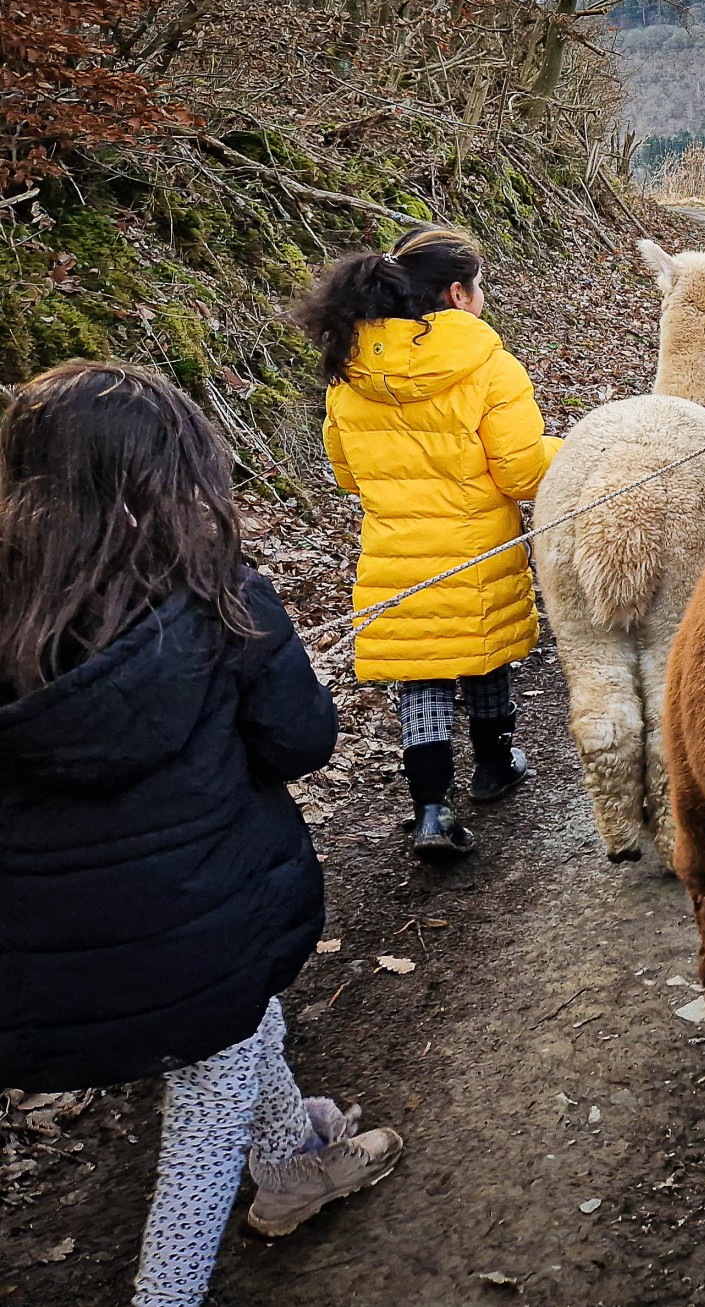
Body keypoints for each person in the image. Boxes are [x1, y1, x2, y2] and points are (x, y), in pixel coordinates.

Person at [0, 363, 403, 1307]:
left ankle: (297, 1157)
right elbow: (302, 740)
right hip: (194, 932)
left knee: (240, 1024)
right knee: (206, 1115)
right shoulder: (220, 595)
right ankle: (170, 1290)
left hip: (32, 954)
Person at [296, 227, 560, 858]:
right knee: (486, 651)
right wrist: (570, 453)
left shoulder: (348, 367)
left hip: (395, 551)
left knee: (421, 673)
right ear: (456, 293)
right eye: (479, 285)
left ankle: (432, 813)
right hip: (476, 546)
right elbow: (521, 473)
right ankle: (496, 768)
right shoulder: (489, 365)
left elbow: (346, 474)